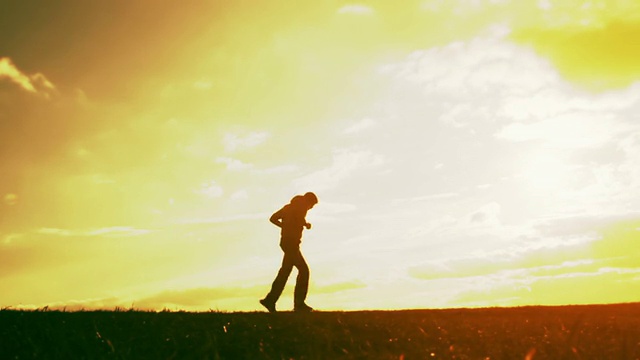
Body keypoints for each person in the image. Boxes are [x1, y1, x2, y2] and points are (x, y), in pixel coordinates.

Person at [260, 192, 318, 312]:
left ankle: (270, 300)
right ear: (308, 201)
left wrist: (284, 226)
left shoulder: (289, 207)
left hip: (286, 243)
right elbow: (298, 218)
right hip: (291, 244)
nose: (311, 208)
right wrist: (305, 224)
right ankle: (299, 305)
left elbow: (273, 218)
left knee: (285, 272)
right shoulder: (302, 206)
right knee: (304, 271)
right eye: (312, 205)